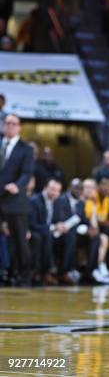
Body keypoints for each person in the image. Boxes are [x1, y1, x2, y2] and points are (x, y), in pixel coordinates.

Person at [0, 114, 34, 285]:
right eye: (7, 123)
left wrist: (18, 185)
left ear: (19, 127)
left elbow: (27, 173)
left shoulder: (26, 149)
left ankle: (24, 276)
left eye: (14, 124)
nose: (10, 126)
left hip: (14, 200)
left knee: (20, 241)